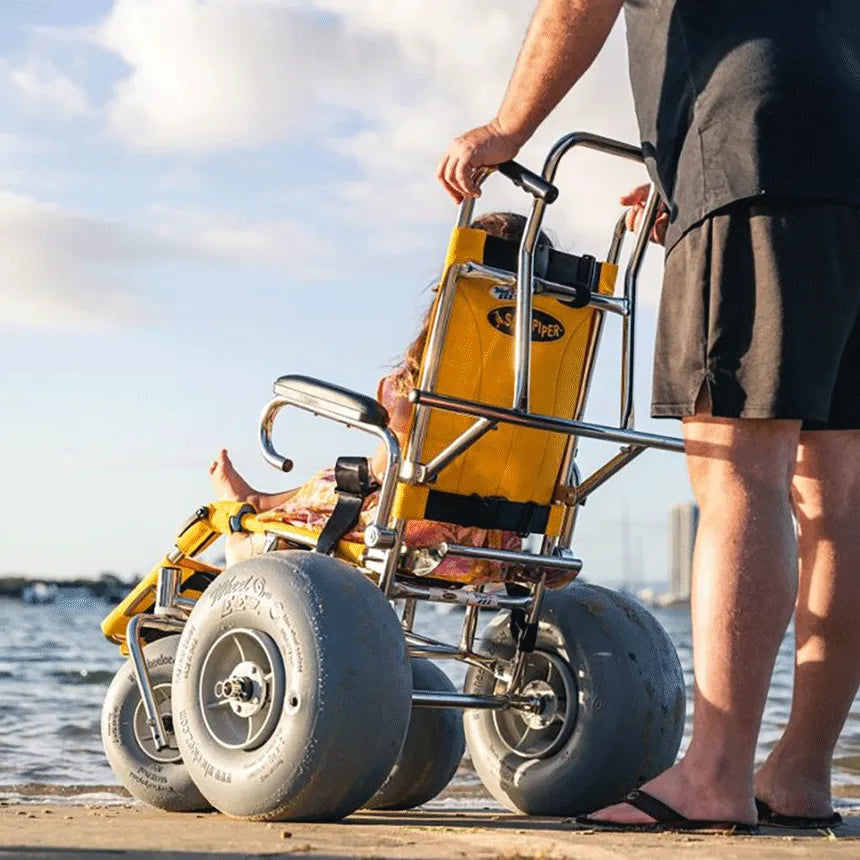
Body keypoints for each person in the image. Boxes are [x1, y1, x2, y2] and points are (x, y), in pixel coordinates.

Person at [438, 0, 860, 834]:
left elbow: (575, 4)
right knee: (837, 496)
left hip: (753, 144)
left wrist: (506, 127)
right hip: (844, 158)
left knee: (741, 470)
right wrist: (685, 173)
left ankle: (714, 776)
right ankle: (801, 773)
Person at [209, 211, 553, 585]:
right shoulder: (554, 380)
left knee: (356, 479)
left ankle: (250, 527)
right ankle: (258, 501)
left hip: (411, 540)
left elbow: (388, 462)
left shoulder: (442, 367)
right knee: (359, 480)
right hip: (494, 550)